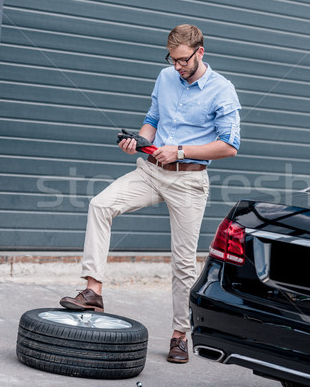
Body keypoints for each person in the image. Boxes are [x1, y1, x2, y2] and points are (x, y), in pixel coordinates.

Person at [59, 24, 241, 364]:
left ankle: (179, 336)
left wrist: (181, 151)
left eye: (183, 60)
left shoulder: (222, 91)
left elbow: (230, 146)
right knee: (100, 205)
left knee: (183, 264)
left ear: (200, 52)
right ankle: (93, 290)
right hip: (150, 170)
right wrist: (139, 143)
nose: (177, 67)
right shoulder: (165, 77)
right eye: (172, 60)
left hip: (189, 179)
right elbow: (152, 119)